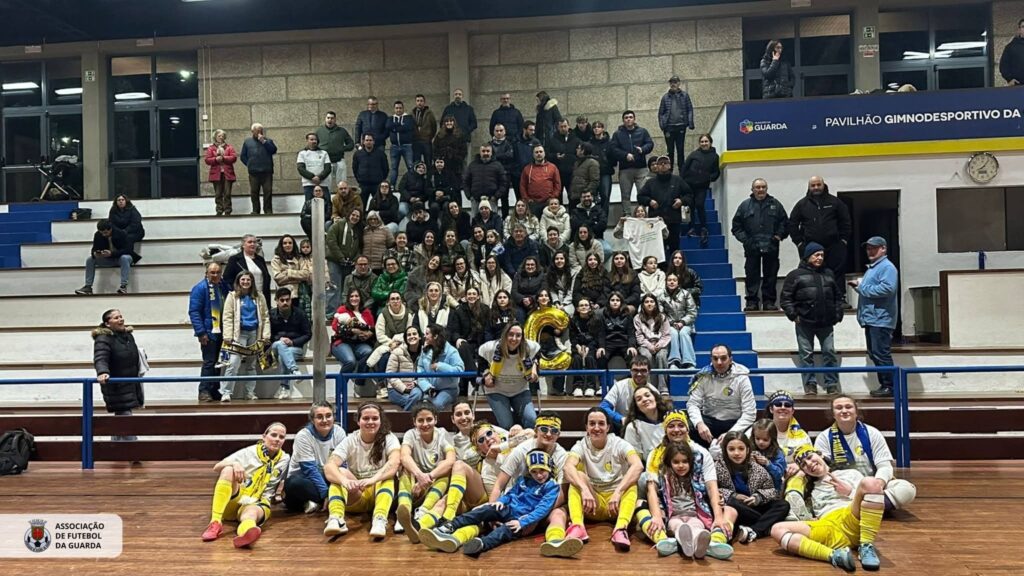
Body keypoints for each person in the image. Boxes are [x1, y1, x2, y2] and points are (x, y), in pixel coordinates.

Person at [769, 444, 886, 572]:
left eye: (809, 457)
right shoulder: (810, 488)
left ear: (820, 454)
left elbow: (875, 497)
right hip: (827, 525)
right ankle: (834, 555)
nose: (809, 463)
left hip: (851, 517)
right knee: (777, 529)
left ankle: (866, 546)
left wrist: (849, 492)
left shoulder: (850, 473)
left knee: (871, 483)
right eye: (803, 464)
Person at [422, 449, 559, 557]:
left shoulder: (552, 487)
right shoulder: (523, 480)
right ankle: (450, 526)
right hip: (508, 509)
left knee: (503, 532)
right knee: (486, 509)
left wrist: (522, 522)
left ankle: (481, 544)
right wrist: (500, 501)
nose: (539, 475)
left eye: (542, 471)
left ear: (549, 468)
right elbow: (511, 494)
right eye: (534, 472)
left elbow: (542, 509)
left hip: (522, 520)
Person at [638, 412, 737, 560]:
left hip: (698, 507)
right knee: (640, 505)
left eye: (681, 425)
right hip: (668, 508)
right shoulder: (655, 454)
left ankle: (713, 542)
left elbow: (711, 487)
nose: (676, 430)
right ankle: (663, 540)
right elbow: (651, 488)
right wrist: (657, 516)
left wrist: (718, 517)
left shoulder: (701, 453)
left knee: (730, 511)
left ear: (687, 428)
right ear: (665, 430)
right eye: (671, 426)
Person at [488, 411, 585, 558]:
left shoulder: (561, 456)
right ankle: (456, 534)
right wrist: (492, 513)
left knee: (559, 513)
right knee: (481, 512)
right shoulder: (521, 450)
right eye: (544, 429)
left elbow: (562, 493)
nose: (548, 434)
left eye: (554, 431)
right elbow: (499, 485)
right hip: (517, 504)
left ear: (559, 434)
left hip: (544, 507)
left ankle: (555, 543)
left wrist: (534, 518)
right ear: (535, 431)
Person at [812, 395, 917, 515]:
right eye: (839, 408)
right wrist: (845, 488)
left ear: (856, 412)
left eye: (848, 407)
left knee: (907, 490)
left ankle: (862, 508)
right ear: (833, 414)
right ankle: (873, 507)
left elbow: (885, 466)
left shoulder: (872, 433)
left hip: (872, 483)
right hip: (841, 486)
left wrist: (878, 484)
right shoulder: (824, 437)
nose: (844, 411)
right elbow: (823, 471)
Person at [564, 407, 644, 550]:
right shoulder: (581, 445)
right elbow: (567, 467)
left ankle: (620, 529)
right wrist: (584, 490)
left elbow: (637, 465)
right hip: (593, 503)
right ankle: (578, 527)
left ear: (608, 427)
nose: (596, 428)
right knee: (577, 478)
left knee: (631, 483)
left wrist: (618, 492)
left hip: (616, 504)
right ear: (586, 427)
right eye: (592, 423)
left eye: (601, 423)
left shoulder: (619, 444)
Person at [201, 422, 289, 548]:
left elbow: (287, 480)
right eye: (273, 435)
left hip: (258, 501)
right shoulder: (249, 452)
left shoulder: (284, 459)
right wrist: (234, 464)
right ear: (264, 436)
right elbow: (217, 467)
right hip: (237, 497)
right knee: (227, 470)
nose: (277, 440)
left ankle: (246, 534)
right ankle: (215, 522)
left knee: (250, 515)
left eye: (281, 437)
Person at [323, 403, 401, 539]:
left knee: (387, 477)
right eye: (366, 418)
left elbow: (394, 463)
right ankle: (336, 518)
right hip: (358, 493)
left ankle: (380, 519)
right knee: (339, 473)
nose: (370, 422)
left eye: (375, 418)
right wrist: (345, 481)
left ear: (380, 420)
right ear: (358, 421)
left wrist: (373, 480)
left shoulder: (389, 438)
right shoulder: (350, 440)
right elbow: (329, 466)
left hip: (381, 494)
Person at [781, 242, 845, 395]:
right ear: (808, 256)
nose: (820, 258)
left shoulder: (828, 273)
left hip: (826, 322)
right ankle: (810, 385)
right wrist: (794, 315)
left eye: (822, 255)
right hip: (804, 322)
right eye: (816, 255)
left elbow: (837, 296)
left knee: (829, 352)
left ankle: (832, 384)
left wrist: (837, 314)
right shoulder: (795, 275)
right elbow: (785, 299)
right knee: (806, 355)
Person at [395, 402, 457, 543]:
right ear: (414, 422)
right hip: (415, 484)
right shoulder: (410, 434)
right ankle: (403, 512)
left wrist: (428, 476)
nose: (425, 424)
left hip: (434, 483)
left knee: (445, 467)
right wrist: (419, 475)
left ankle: (422, 511)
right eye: (420, 420)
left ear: (435, 419)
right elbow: (404, 456)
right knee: (404, 467)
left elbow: (451, 460)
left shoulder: (442, 434)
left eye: (429, 419)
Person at [715, 431, 790, 544]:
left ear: (748, 450)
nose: (736, 453)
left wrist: (758, 497)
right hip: (733, 509)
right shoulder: (718, 467)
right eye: (731, 449)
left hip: (753, 508)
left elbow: (772, 491)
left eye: (741, 448)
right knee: (732, 502)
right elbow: (712, 489)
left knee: (783, 505)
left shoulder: (757, 468)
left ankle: (753, 530)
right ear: (725, 450)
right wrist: (733, 495)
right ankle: (764, 526)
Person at [849, 237, 899, 397]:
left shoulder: (887, 267)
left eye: (874, 248)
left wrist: (861, 286)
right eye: (868, 248)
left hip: (881, 319)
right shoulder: (875, 268)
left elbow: (887, 289)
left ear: (883, 249)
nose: (870, 251)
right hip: (873, 318)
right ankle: (885, 385)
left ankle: (890, 386)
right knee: (875, 352)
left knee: (880, 352)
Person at [732, 178, 788, 311]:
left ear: (766, 189)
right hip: (752, 247)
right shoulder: (745, 206)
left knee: (771, 275)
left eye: (763, 187)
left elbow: (785, 223)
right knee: (752, 275)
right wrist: (746, 240)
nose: (760, 190)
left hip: (771, 246)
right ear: (752, 190)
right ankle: (752, 302)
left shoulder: (776, 205)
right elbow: (736, 227)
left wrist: (778, 236)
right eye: (757, 187)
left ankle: (769, 302)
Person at [687, 345, 757, 448]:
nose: (719, 362)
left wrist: (731, 433)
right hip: (709, 423)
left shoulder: (742, 378)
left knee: (753, 431)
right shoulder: (703, 376)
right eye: (715, 358)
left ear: (730, 359)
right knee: (688, 426)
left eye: (723, 358)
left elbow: (750, 413)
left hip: (734, 423)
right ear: (711, 359)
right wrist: (699, 424)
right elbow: (692, 404)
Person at [788, 176, 852, 285]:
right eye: (813, 185)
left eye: (818, 185)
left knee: (836, 273)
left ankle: (839, 298)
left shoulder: (835, 202)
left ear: (823, 185)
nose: (816, 187)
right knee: (811, 274)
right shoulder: (802, 205)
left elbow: (845, 222)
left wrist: (843, 240)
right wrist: (799, 243)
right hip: (810, 247)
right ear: (809, 187)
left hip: (834, 246)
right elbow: (792, 224)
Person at [284, 402, 346, 514]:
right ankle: (331, 499)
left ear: (334, 417)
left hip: (327, 476)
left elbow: (342, 464)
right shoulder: (303, 436)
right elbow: (309, 470)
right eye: (319, 417)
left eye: (328, 415)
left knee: (344, 475)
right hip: (306, 479)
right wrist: (326, 494)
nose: (325, 420)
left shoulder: (339, 432)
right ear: (312, 420)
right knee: (292, 484)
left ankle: (315, 502)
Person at [92, 308, 143, 441]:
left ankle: (115, 448)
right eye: (116, 318)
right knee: (125, 416)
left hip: (130, 383)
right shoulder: (103, 338)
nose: (121, 319)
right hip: (116, 385)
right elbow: (100, 357)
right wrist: (102, 372)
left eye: (121, 316)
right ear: (107, 324)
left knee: (121, 418)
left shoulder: (128, 336)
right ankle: (134, 450)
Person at [478, 323, 541, 430]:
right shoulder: (490, 348)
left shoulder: (529, 347)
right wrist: (486, 374)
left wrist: (534, 367)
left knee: (532, 420)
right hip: (496, 390)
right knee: (507, 425)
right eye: (510, 334)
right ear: (504, 335)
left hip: (520, 389)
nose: (514, 339)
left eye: (518, 335)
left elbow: (538, 353)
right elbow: (480, 358)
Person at [220, 271, 270, 402]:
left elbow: (265, 316)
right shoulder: (232, 296)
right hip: (238, 335)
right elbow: (227, 316)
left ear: (252, 282)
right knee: (233, 364)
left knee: (252, 365)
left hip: (255, 334)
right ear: (238, 281)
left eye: (248, 280)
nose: (245, 282)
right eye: (243, 280)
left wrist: (265, 335)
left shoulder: (259, 297)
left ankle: (250, 392)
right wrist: (227, 335)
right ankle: (226, 392)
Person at [189, 262, 228, 402]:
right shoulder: (200, 288)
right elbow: (194, 312)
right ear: (206, 273)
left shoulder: (224, 286)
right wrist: (201, 332)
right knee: (209, 362)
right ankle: (204, 390)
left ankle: (214, 389)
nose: (215, 275)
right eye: (212, 272)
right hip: (208, 331)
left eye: (218, 272)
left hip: (223, 331)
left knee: (219, 362)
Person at [639, 155, 691, 255]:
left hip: (674, 221)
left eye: (665, 163)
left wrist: (681, 201)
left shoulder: (678, 180)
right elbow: (640, 196)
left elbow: (689, 195)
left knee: (674, 250)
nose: (663, 165)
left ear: (670, 165)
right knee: (657, 251)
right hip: (656, 222)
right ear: (656, 166)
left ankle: (674, 269)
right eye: (660, 163)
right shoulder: (650, 183)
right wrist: (649, 201)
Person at [330, 289, 376, 398]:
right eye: (352, 296)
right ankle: (340, 390)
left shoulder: (366, 312)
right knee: (350, 361)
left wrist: (368, 334)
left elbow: (372, 328)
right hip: (342, 342)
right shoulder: (342, 309)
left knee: (369, 352)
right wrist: (352, 331)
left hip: (359, 343)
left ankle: (359, 383)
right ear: (348, 298)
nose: (354, 298)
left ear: (360, 298)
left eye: (356, 296)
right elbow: (335, 326)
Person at [269, 288, 311, 400]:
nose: (285, 303)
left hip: (295, 348)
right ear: (276, 301)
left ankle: (285, 387)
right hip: (276, 346)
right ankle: (295, 370)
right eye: (282, 300)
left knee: (284, 356)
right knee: (280, 344)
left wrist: (293, 342)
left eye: (287, 300)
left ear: (291, 300)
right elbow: (268, 335)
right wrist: (280, 338)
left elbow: (308, 334)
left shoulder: (300, 313)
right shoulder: (271, 314)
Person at [76, 219, 137, 295]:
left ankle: (123, 286)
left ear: (110, 229)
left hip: (121, 258)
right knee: (90, 260)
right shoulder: (98, 235)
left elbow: (128, 250)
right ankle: (88, 286)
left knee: (124, 258)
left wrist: (112, 253)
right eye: (102, 233)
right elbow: (94, 249)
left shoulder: (121, 233)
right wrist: (95, 254)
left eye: (105, 233)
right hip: (108, 258)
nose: (104, 235)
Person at [609, 110, 654, 214]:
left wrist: (642, 149)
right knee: (625, 195)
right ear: (623, 120)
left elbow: (650, 144)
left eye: (630, 117)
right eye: (626, 118)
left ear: (634, 119)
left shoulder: (643, 131)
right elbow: (613, 149)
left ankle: (643, 215)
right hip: (625, 169)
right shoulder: (617, 134)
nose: (628, 119)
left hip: (641, 168)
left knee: (643, 194)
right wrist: (625, 155)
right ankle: (627, 216)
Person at [682, 134, 721, 246]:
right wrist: (682, 182)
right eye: (702, 142)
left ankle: (704, 227)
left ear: (710, 143)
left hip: (702, 186)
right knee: (691, 205)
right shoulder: (694, 154)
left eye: (706, 141)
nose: (704, 144)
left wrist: (709, 178)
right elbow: (685, 167)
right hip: (689, 185)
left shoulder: (715, 156)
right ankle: (692, 227)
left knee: (699, 204)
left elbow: (716, 172)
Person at [325, 209, 363, 313]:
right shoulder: (338, 225)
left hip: (349, 263)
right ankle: (331, 313)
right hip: (335, 261)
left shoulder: (357, 230)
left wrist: (354, 259)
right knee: (334, 287)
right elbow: (331, 240)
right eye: (353, 215)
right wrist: (341, 257)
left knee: (346, 289)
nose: (355, 217)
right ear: (348, 214)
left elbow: (359, 248)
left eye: (357, 216)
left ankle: (344, 310)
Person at [634, 294, 673, 394]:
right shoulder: (637, 318)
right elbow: (639, 336)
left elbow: (667, 335)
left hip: (661, 343)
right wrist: (649, 346)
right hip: (645, 344)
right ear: (642, 305)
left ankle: (663, 387)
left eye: (652, 301)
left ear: (656, 304)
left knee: (661, 356)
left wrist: (659, 345)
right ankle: (648, 386)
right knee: (646, 356)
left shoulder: (662, 317)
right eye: (646, 302)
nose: (649, 304)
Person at [623, 385, 674, 460]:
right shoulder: (633, 427)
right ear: (637, 406)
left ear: (655, 398)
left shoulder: (672, 419)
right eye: (639, 399)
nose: (644, 399)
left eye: (647, 395)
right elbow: (635, 461)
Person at [659, 273, 698, 369]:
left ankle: (689, 362)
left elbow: (692, 312)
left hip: (686, 324)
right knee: (673, 333)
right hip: (669, 324)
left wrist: (682, 322)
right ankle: (674, 362)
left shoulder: (686, 294)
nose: (672, 282)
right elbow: (660, 314)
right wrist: (670, 323)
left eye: (674, 280)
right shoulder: (661, 296)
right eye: (669, 280)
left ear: (678, 283)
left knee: (683, 333)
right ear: (666, 282)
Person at [223, 234, 271, 310]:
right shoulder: (234, 259)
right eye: (250, 242)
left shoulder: (260, 259)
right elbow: (227, 279)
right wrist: (238, 292)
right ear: (243, 245)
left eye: (254, 242)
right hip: (242, 298)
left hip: (260, 297)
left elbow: (267, 278)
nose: (253, 244)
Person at [659, 75, 695, 173]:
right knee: (670, 151)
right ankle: (669, 171)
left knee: (680, 150)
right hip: (669, 128)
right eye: (671, 82)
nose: (673, 84)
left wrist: (690, 123)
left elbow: (689, 109)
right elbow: (661, 112)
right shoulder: (665, 97)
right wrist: (662, 125)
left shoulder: (685, 95)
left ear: (679, 83)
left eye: (675, 82)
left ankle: (682, 171)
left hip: (681, 126)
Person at [240, 123, 277, 216]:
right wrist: (249, 164)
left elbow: (273, 150)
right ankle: (255, 210)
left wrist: (264, 142)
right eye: (257, 131)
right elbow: (243, 156)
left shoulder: (268, 141)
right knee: (254, 191)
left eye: (261, 131)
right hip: (253, 172)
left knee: (268, 191)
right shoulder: (247, 142)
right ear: (252, 132)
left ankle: (268, 210)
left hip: (267, 171)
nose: (260, 133)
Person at [615, 205, 669, 270]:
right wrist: (620, 223)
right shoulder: (631, 225)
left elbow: (665, 235)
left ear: (645, 213)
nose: (640, 213)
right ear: (635, 214)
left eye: (642, 211)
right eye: (637, 211)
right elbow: (617, 235)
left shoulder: (653, 223)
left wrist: (662, 224)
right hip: (638, 258)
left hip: (653, 258)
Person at [385, 326, 426, 409]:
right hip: (395, 389)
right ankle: (406, 421)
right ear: (405, 338)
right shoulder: (397, 352)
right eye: (409, 335)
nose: (412, 336)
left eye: (414, 334)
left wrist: (415, 383)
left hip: (415, 387)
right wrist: (404, 388)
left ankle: (403, 421)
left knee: (416, 396)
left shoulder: (425, 352)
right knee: (414, 402)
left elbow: (427, 372)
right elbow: (390, 374)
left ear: (420, 337)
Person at [463, 144, 507, 216]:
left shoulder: (498, 165)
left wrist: (496, 196)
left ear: (491, 152)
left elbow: (504, 183)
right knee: (475, 223)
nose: (485, 153)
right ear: (480, 152)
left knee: (493, 221)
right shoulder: (472, 165)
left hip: (492, 200)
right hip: (476, 200)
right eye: (483, 151)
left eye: (487, 151)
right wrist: (469, 196)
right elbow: (466, 181)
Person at [316, 111, 355, 190]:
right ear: (325, 119)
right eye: (328, 118)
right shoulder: (319, 131)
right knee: (325, 185)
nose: (330, 120)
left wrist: (341, 148)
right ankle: (327, 201)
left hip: (339, 161)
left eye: (332, 118)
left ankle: (343, 201)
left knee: (342, 185)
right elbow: (313, 144)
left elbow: (351, 144)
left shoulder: (342, 131)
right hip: (325, 162)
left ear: (335, 120)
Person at [520, 144, 561, 218]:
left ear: (544, 153)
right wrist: (527, 199)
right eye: (536, 152)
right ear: (533, 154)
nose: (539, 154)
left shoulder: (553, 167)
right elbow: (522, 186)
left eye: (541, 151)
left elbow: (557, 185)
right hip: (532, 204)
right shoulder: (527, 169)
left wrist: (552, 198)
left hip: (548, 203)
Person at [270, 234, 311, 305]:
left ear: (293, 245)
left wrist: (288, 272)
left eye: (290, 243)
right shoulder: (276, 260)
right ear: (281, 245)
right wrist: (298, 277)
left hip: (300, 294)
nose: (287, 245)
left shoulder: (299, 258)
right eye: (285, 243)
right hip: (283, 296)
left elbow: (306, 274)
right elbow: (278, 278)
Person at [205, 129, 239, 216]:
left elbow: (234, 158)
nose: (221, 137)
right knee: (218, 193)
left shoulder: (229, 147)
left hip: (227, 173)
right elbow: (207, 160)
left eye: (222, 136)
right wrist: (215, 159)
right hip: (216, 174)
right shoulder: (211, 148)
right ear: (215, 137)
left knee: (227, 193)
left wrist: (224, 158)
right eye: (219, 136)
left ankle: (228, 211)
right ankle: (219, 210)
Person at [352, 134, 389, 208]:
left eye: (370, 140)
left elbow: (386, 168)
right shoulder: (357, 154)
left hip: (377, 185)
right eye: (367, 140)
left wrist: (381, 179)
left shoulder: (381, 154)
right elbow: (354, 168)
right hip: (363, 185)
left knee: (379, 206)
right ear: (363, 142)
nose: (368, 142)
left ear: (374, 142)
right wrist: (359, 179)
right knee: (361, 207)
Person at [547, 119, 580, 201]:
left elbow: (580, 155)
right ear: (558, 127)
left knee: (573, 197)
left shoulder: (576, 139)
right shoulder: (552, 140)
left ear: (568, 126)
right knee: (557, 197)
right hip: (558, 173)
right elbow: (547, 154)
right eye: (561, 127)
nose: (563, 128)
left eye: (565, 126)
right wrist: (555, 156)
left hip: (572, 173)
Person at [384, 100, 414, 187]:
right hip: (394, 147)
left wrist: (395, 128)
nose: (398, 110)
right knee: (393, 168)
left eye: (400, 108)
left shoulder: (408, 118)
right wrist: (400, 127)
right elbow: (388, 126)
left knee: (410, 166)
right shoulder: (390, 119)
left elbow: (407, 127)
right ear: (394, 109)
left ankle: (412, 185)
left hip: (407, 146)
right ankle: (392, 186)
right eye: (397, 108)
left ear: (403, 108)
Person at [489, 125, 516, 218]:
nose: (499, 133)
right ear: (493, 132)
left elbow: (510, 156)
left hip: (505, 174)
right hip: (492, 175)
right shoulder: (489, 144)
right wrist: (502, 156)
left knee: (505, 198)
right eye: (497, 130)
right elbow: (490, 158)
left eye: (501, 130)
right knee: (492, 198)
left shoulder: (509, 144)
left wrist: (496, 156)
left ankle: (505, 218)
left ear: (505, 132)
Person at [296, 132, 331, 202]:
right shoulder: (302, 153)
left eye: (315, 140)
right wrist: (312, 177)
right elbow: (301, 168)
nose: (314, 141)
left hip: (323, 183)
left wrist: (319, 177)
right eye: (311, 139)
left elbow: (328, 168)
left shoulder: (324, 153)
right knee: (309, 205)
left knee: (327, 204)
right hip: (308, 183)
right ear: (307, 141)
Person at [433, 116, 468, 187]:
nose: (449, 123)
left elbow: (464, 150)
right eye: (447, 121)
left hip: (456, 164)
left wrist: (457, 157)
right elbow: (434, 148)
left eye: (451, 121)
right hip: (443, 164)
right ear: (444, 123)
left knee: (456, 185)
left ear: (454, 123)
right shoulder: (439, 135)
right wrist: (438, 158)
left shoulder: (459, 135)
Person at [590, 121, 614, 211]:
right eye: (594, 127)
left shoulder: (609, 143)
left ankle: (604, 220)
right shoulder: (590, 143)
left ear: (603, 129)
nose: (596, 129)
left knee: (605, 196)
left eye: (599, 127)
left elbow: (613, 158)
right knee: (592, 197)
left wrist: (607, 163)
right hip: (592, 174)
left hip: (605, 173)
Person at [412, 94, 437, 164]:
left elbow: (434, 126)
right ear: (415, 102)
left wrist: (429, 137)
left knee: (428, 162)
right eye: (418, 101)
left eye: (421, 101)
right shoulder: (412, 113)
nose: (419, 103)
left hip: (426, 142)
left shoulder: (429, 113)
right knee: (417, 163)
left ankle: (429, 175)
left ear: (424, 102)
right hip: (416, 142)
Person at [1000, 19, 1024, 85]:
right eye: (1023, 27)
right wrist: (1009, 79)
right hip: (1018, 86)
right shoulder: (1011, 47)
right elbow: (1003, 66)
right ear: (1019, 29)